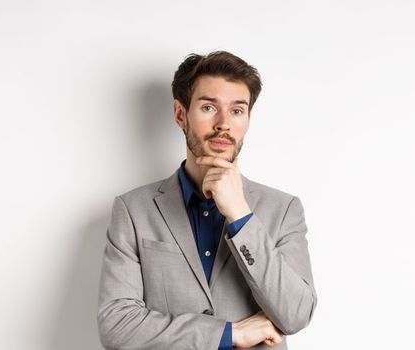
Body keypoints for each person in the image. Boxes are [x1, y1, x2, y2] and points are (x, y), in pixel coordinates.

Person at [97, 51, 316, 349]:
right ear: (180, 114)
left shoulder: (284, 210)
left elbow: (296, 314)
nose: (223, 123)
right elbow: (117, 326)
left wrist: (241, 216)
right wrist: (229, 334)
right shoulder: (133, 211)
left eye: (237, 111)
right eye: (209, 107)